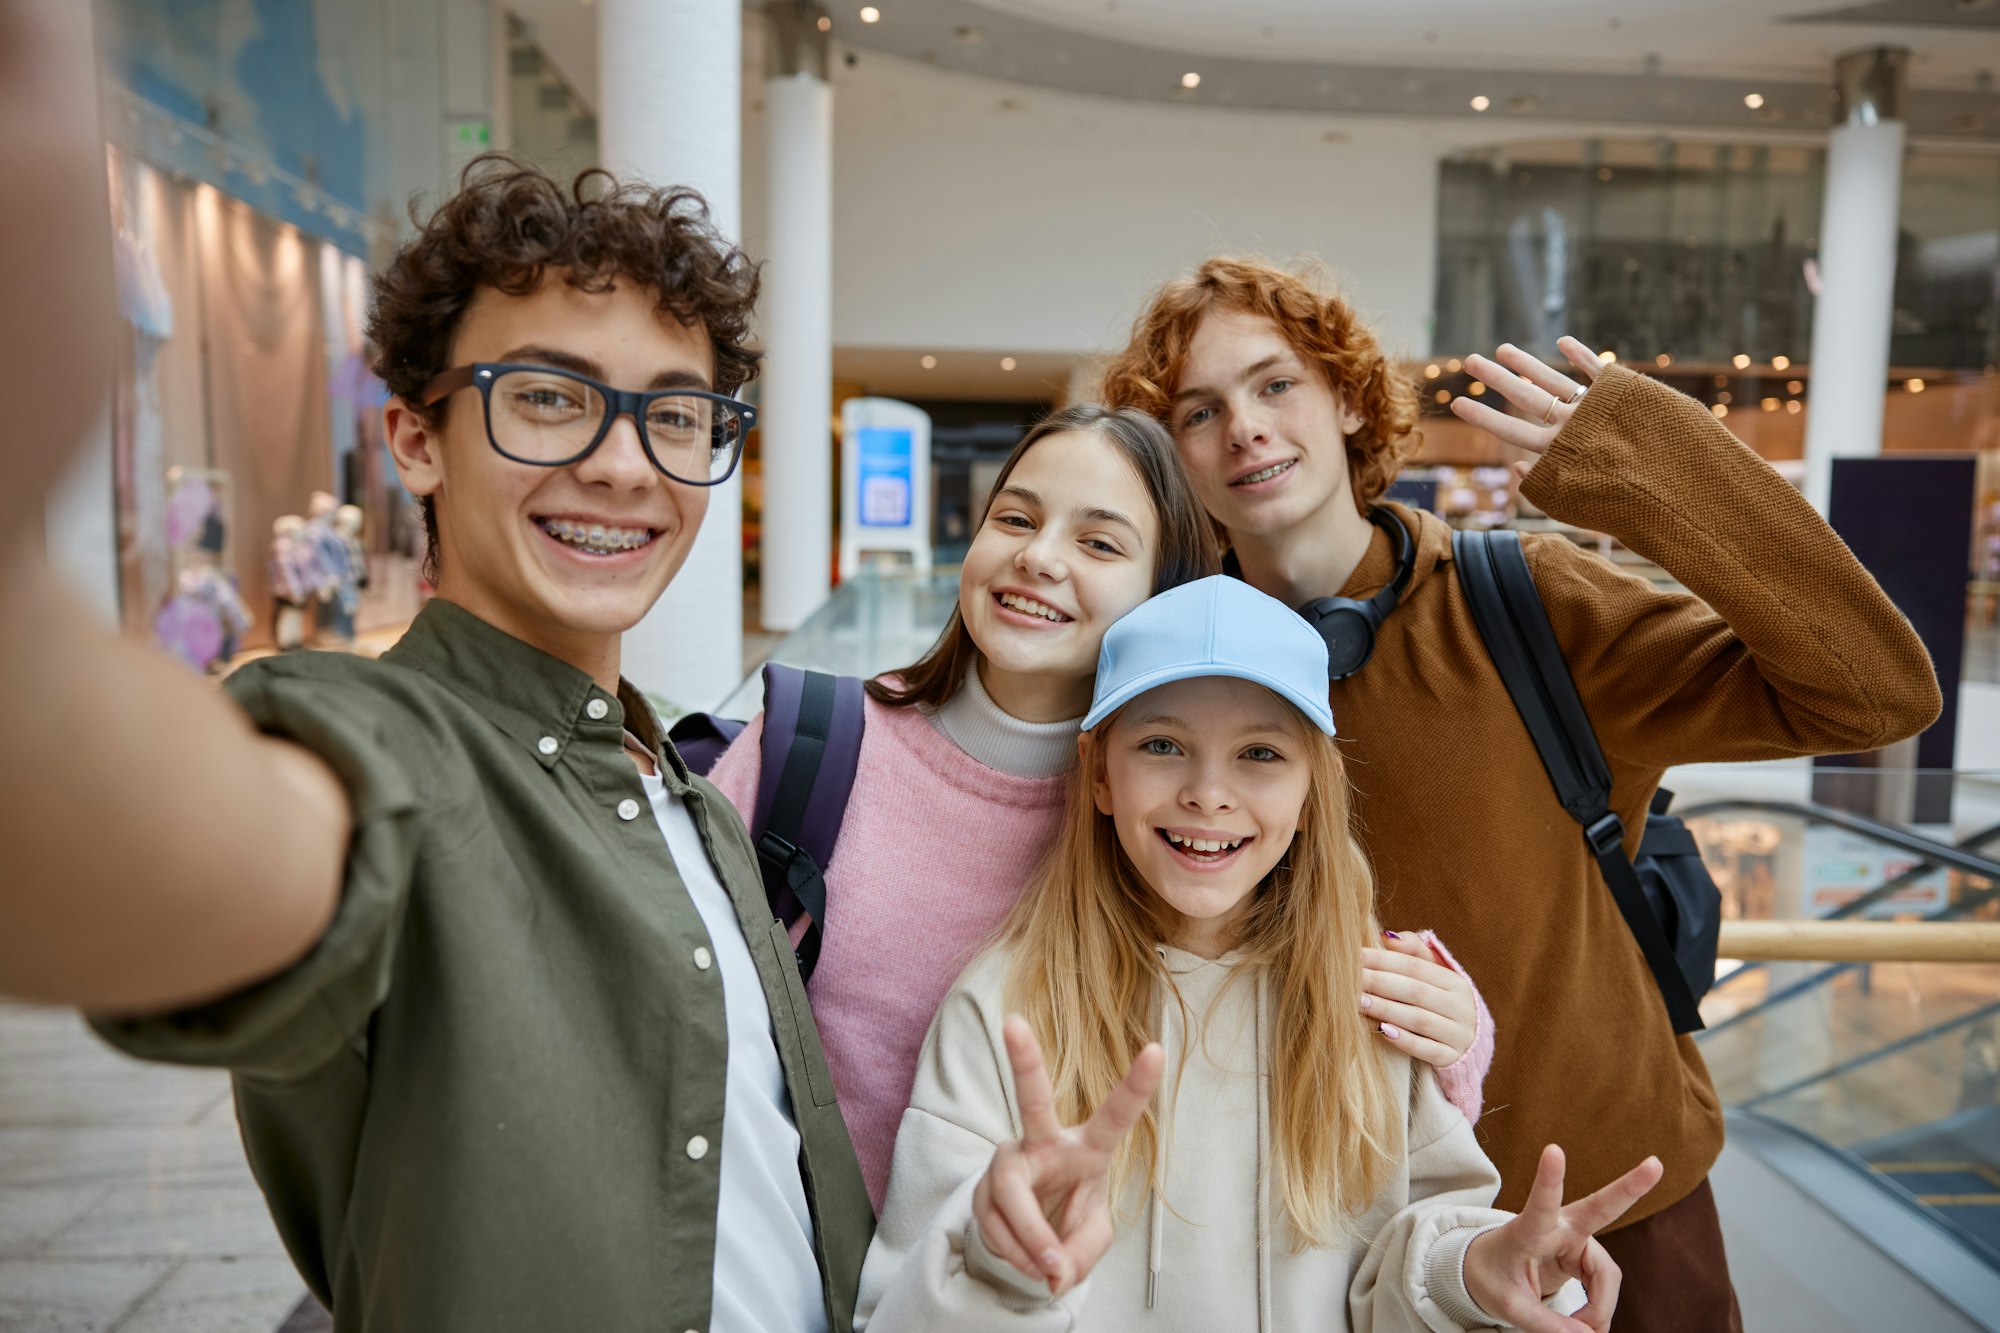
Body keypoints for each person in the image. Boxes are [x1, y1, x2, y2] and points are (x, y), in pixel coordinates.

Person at [0, 148, 870, 1333]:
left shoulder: (697, 803)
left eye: (674, 414)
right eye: (550, 397)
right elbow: (189, 854)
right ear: (416, 440)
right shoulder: (383, 743)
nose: (623, 464)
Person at [1099, 257, 1945, 1330]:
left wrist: (1653, 468)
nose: (1245, 429)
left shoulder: (1523, 606)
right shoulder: (1170, 666)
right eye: (1199, 410)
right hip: (1340, 1241)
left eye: (1275, 386)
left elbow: (1875, 691)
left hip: (1607, 1212)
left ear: (1347, 398)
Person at [710, 406, 1496, 1208]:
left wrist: (1451, 1033)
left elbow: (1296, 976)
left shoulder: (1182, 824)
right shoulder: (810, 748)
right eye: (1015, 517)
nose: (1038, 557)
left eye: (1099, 542)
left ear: (1166, 595)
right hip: (786, 1279)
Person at [857, 575, 1664, 1332]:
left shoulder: (1375, 1001)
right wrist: (1001, 1265)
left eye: (1261, 753)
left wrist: (1471, 1269)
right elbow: (894, 1307)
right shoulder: (1006, 1009)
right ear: (1099, 772)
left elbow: (1409, 1252)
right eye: (1163, 745)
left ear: (1315, 787)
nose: (1209, 792)